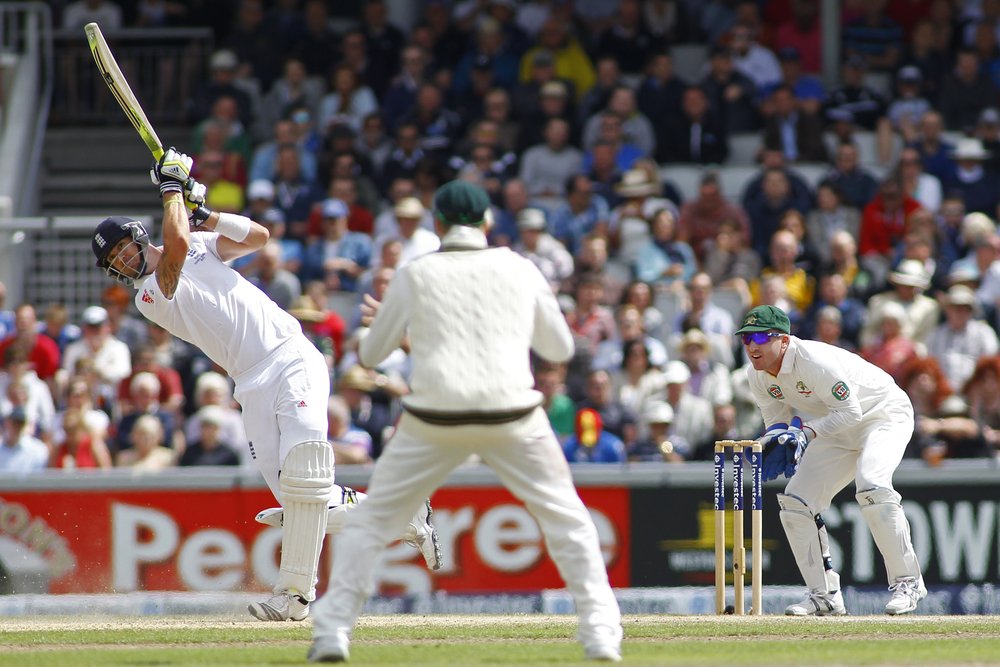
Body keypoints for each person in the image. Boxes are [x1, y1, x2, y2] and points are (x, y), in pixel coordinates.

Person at [89, 148, 439, 624]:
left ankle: (293, 596)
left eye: (123, 248)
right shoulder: (150, 295)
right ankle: (403, 515)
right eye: (114, 261)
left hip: (290, 357)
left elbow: (259, 237)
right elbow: (173, 250)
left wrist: (203, 212)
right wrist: (172, 189)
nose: (124, 261)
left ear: (136, 236)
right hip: (249, 383)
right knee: (298, 501)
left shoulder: (194, 243)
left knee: (305, 476)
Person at [309, 180, 623, 663]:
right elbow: (560, 349)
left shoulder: (416, 273)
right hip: (513, 413)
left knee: (371, 523)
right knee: (568, 519)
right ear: (488, 223)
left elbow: (370, 355)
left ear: (437, 225)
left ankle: (331, 634)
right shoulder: (519, 268)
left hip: (435, 416)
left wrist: (392, 322)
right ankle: (601, 634)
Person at [739, 304, 926, 616]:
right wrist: (770, 442)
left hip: (880, 415)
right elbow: (776, 423)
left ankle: (908, 582)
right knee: (796, 501)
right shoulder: (757, 376)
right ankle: (823, 595)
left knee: (872, 485)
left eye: (761, 337)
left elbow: (852, 411)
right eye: (746, 340)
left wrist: (806, 434)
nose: (753, 347)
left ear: (783, 340)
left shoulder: (813, 360)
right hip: (835, 429)